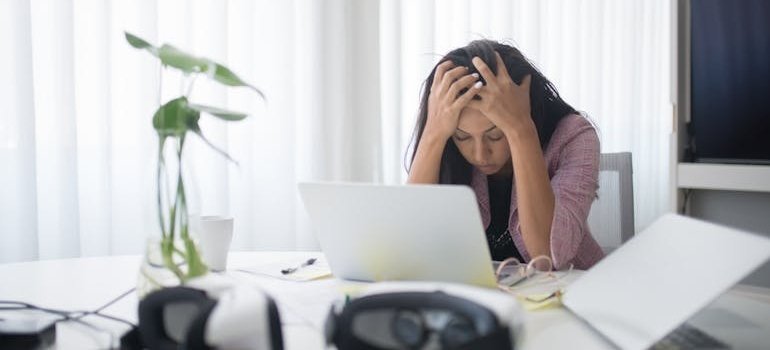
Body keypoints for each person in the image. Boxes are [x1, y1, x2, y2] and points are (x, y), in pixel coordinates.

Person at [406, 40, 604, 270]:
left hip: (567, 294)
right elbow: (410, 245)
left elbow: (547, 256)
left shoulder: (574, 135)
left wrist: (521, 130)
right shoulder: (445, 142)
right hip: (483, 295)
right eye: (463, 137)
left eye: (496, 135)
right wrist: (434, 133)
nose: (480, 154)